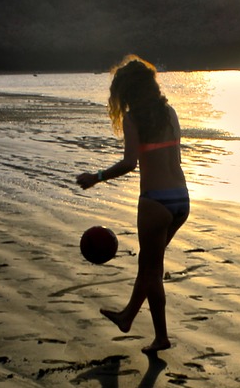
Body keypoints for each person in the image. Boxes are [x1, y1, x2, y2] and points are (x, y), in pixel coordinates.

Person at [77, 55, 189, 354]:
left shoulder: (133, 117)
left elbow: (130, 163)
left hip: (155, 201)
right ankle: (127, 316)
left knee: (152, 271)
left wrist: (96, 177)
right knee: (148, 265)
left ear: (126, 90)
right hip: (181, 199)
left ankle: (161, 337)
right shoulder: (169, 112)